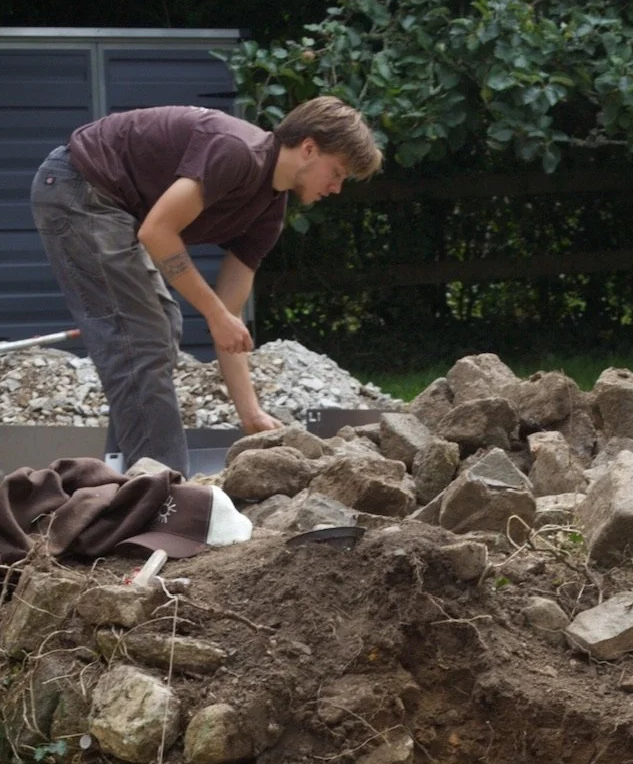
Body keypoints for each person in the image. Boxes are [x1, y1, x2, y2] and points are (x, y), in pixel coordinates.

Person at [30, 95, 381, 477]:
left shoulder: (268, 214)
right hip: (79, 188)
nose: (336, 188)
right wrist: (214, 314)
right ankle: (164, 491)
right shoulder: (237, 153)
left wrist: (250, 413)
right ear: (309, 148)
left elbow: (229, 321)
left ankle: (131, 476)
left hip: (113, 208)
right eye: (338, 172)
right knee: (142, 337)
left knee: (160, 327)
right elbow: (157, 231)